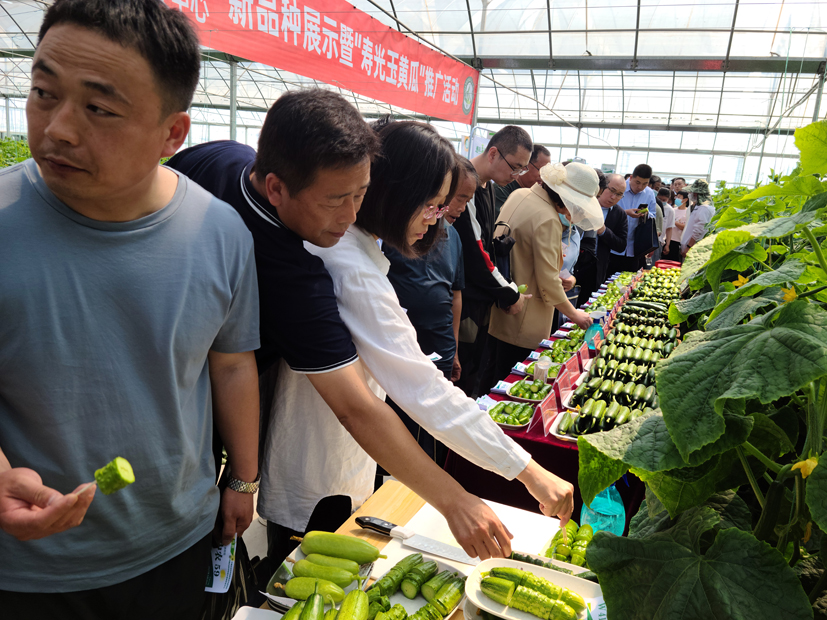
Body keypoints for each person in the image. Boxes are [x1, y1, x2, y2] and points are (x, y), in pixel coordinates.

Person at [167, 92, 529, 566]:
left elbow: (235, 363)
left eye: (360, 194)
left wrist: (242, 474)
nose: (352, 214)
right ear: (276, 187)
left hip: (218, 419)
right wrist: (461, 499)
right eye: (338, 199)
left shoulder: (229, 163)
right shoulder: (303, 273)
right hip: (192, 414)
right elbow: (359, 406)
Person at [0, 1, 261, 617]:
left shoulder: (221, 233)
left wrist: (243, 479)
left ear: (173, 134)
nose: (59, 128)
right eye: (43, 92)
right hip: (32, 567)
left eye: (99, 108)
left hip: (177, 540)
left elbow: (230, 364)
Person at [302, 120, 575, 550]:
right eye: (430, 206)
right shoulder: (350, 267)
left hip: (338, 460)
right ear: (395, 194)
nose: (435, 221)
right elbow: (423, 392)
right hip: (318, 470)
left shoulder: (360, 251)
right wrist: (527, 471)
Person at [382, 155, 475, 465]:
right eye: (458, 198)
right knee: (398, 422)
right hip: (402, 346)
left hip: (441, 344)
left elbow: (455, 294)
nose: (460, 207)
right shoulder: (394, 233)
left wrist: (455, 347)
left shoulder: (454, 237)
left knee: (434, 422)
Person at [487, 162, 601, 382]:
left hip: (503, 300)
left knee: (492, 371)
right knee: (512, 378)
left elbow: (522, 252)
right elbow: (548, 280)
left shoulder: (520, 194)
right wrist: (575, 314)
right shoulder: (548, 218)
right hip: (526, 314)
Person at [453, 126, 532, 397]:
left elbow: (485, 246)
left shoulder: (487, 186)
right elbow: (476, 253)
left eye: (522, 169)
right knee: (461, 374)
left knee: (474, 370)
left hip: (477, 298)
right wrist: (509, 293)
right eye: (515, 167)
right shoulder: (467, 185)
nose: (516, 175)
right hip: (464, 300)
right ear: (493, 153)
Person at [608, 164, 657, 274]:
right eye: (637, 182)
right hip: (613, 243)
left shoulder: (649, 194)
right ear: (631, 177)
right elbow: (607, 210)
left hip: (635, 247)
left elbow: (653, 215)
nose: (640, 187)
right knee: (609, 277)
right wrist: (625, 213)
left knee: (630, 278)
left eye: (645, 184)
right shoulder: (618, 188)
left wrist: (645, 214)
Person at [594, 173, 630, 287]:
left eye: (619, 194)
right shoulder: (585, 204)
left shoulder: (619, 214)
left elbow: (621, 245)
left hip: (597, 266)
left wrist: (604, 231)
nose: (613, 197)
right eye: (612, 191)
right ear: (602, 187)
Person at [494, 144, 551, 212]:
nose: (544, 176)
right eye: (541, 170)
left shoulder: (534, 195)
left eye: (547, 172)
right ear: (525, 165)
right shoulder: (501, 190)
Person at [681, 179, 715, 257]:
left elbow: (699, 229)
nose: (690, 194)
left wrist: (689, 247)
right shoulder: (699, 206)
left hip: (694, 249)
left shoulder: (704, 208)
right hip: (690, 247)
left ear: (696, 193)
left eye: (691, 192)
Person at [658, 187, 676, 261]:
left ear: (668, 199)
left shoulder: (670, 210)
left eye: (664, 200)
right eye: (659, 199)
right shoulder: (653, 205)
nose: (661, 201)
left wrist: (667, 244)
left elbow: (669, 229)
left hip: (659, 241)